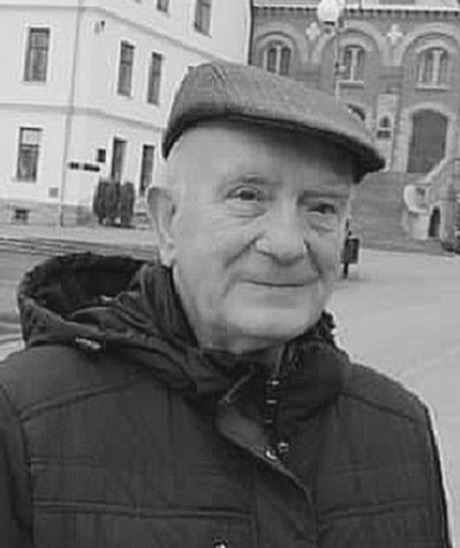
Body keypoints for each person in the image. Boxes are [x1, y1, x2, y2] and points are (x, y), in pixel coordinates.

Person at [0, 62, 451, 547]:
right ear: (168, 223)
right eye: (248, 196)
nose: (287, 244)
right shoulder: (24, 421)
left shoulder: (399, 432)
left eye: (321, 207)